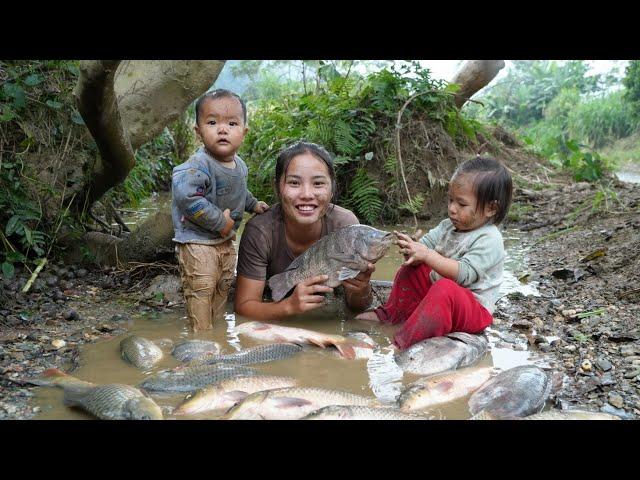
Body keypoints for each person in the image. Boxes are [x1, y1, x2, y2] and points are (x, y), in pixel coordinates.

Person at [356, 156, 513, 350]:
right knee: (412, 270)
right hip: (443, 294)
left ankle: (404, 341)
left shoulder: (490, 239)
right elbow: (424, 248)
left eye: (461, 204)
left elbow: (464, 274)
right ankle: (394, 315)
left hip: (474, 310)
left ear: (491, 208)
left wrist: (427, 255)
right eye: (450, 200)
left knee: (444, 288)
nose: (452, 209)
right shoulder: (447, 227)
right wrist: (411, 249)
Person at [234, 141, 375, 321]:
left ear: (331, 188)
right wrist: (289, 307)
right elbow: (244, 306)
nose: (307, 194)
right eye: (294, 183)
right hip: (275, 311)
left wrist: (361, 288)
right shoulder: (260, 231)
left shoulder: (345, 226)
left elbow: (356, 308)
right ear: (278, 186)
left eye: (318, 183)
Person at [171, 89, 269, 332]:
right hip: (198, 241)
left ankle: (217, 333)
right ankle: (202, 338)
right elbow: (188, 198)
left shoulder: (240, 166)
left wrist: (253, 204)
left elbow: (239, 193)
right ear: (198, 131)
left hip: (225, 241)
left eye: (232, 123)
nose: (222, 129)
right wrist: (219, 222)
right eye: (212, 122)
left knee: (223, 284)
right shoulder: (197, 165)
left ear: (243, 132)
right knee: (202, 286)